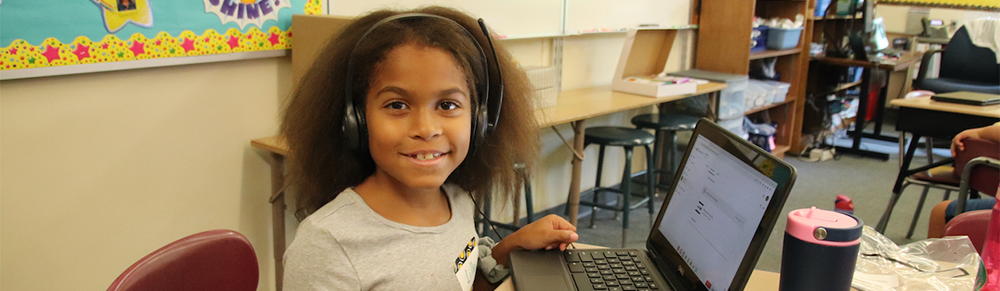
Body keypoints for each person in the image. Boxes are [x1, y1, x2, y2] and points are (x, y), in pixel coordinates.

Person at [280, 6, 579, 291]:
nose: (426, 129)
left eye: (447, 105)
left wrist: (510, 248)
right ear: (356, 120)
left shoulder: (457, 201)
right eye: (397, 105)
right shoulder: (327, 244)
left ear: (479, 121)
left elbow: (461, 284)